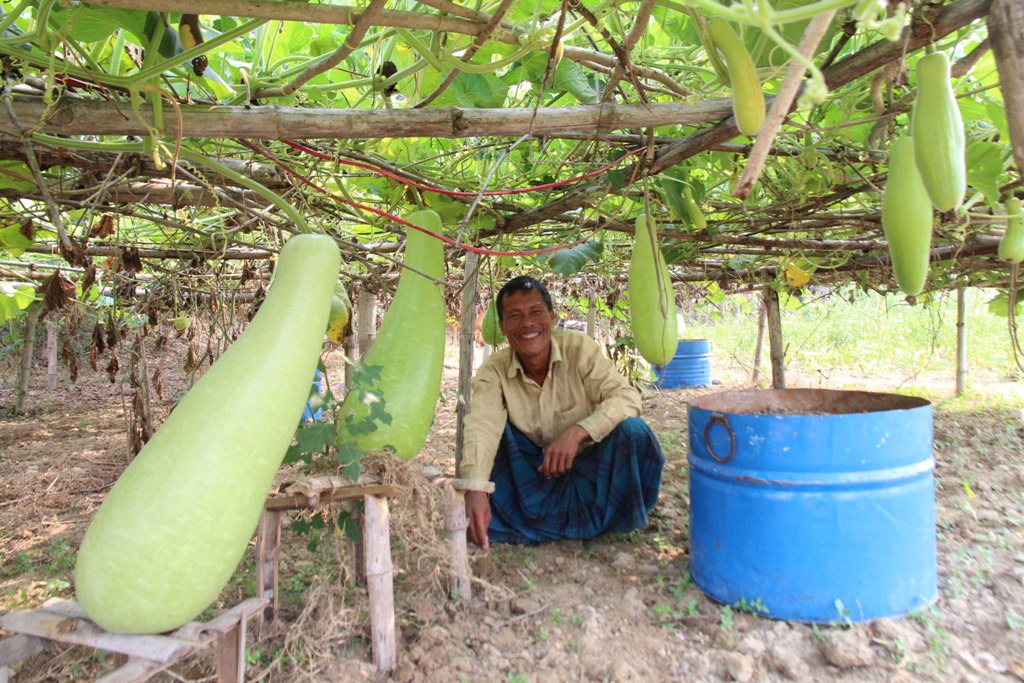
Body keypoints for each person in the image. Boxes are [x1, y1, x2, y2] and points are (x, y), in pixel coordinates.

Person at [459, 275, 665, 548]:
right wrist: (475, 488)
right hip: (533, 472)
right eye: (515, 316)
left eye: (536, 312)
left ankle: (613, 515)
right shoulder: (493, 371)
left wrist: (580, 432)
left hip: (592, 462)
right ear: (502, 326)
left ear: (552, 317)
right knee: (496, 439)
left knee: (634, 432)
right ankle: (579, 520)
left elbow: (626, 397)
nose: (528, 324)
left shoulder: (579, 350)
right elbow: (482, 425)